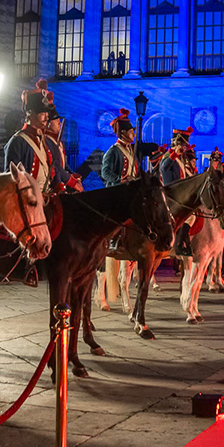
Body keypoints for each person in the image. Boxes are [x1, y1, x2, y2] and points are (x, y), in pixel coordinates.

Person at [97, 109, 140, 311]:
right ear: (123, 133)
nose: (134, 133)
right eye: (131, 131)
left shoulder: (131, 150)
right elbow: (105, 172)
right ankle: (113, 241)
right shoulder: (113, 151)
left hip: (129, 194)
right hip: (116, 193)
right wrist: (121, 180)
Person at [5, 80, 71, 192]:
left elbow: (54, 169)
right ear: (30, 113)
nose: (46, 117)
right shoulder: (17, 142)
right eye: (42, 113)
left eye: (47, 113)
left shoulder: (45, 141)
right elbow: (12, 179)